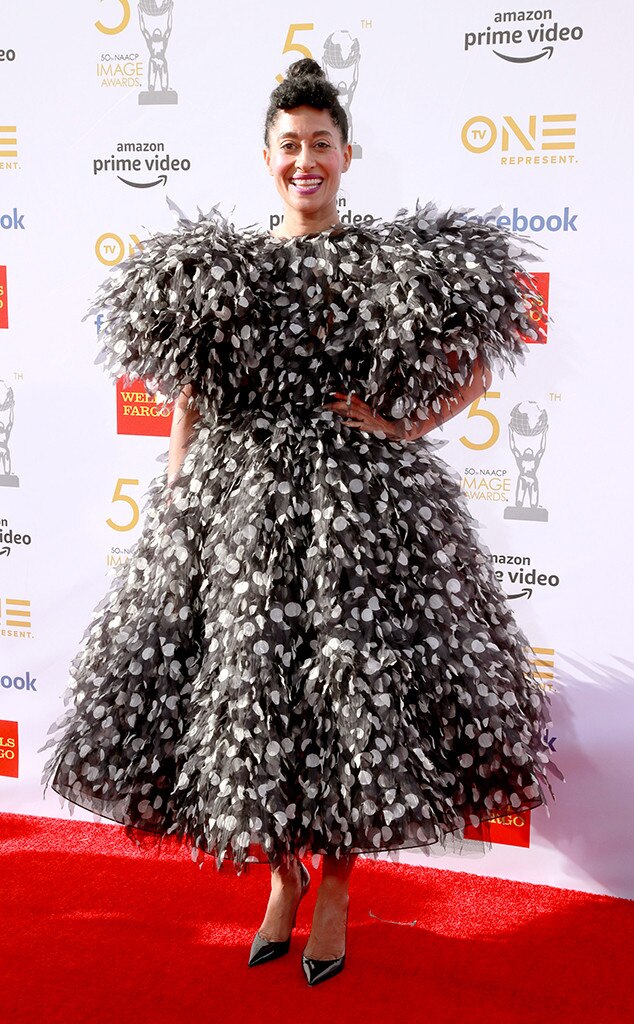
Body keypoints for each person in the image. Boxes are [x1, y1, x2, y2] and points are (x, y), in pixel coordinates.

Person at [40, 59, 562, 987]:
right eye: (291, 146)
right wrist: (176, 487)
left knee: (350, 703)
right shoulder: (224, 270)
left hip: (353, 511)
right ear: (266, 158)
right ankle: (279, 877)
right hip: (237, 508)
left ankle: (335, 888)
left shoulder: (386, 262)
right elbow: (191, 395)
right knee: (249, 703)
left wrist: (402, 425)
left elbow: (482, 361)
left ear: (348, 155)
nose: (306, 160)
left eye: (322, 144)